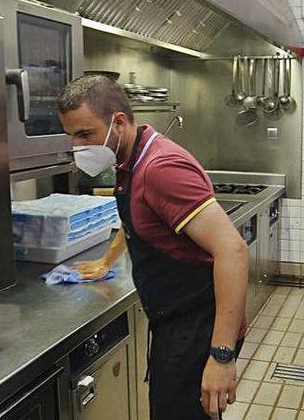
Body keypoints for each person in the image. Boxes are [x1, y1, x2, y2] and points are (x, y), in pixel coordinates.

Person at [57, 75, 248, 420]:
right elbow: (136, 216)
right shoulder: (129, 156)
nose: (77, 146)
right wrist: (106, 259)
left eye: (85, 134)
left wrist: (221, 355)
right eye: (72, 135)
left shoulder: (160, 168)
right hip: (174, 320)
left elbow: (232, 251)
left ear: (117, 122)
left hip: (199, 325)